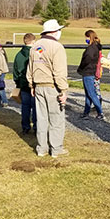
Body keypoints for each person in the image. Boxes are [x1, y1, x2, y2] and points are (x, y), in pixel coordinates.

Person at [27, 19, 69, 158]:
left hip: (38, 86)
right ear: (55, 31)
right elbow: (59, 71)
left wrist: (31, 84)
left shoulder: (35, 46)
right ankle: (56, 149)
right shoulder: (57, 47)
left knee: (42, 118)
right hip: (52, 87)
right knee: (56, 119)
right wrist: (63, 90)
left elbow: (30, 68)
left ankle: (41, 148)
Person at [77, 30, 104, 120]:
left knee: (91, 93)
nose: (85, 39)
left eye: (86, 37)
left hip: (88, 72)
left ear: (90, 37)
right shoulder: (96, 47)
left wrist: (81, 68)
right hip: (90, 71)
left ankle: (100, 112)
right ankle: (86, 112)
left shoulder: (91, 49)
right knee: (88, 94)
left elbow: (87, 60)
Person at [13, 33, 37, 134]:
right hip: (34, 84)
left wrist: (18, 83)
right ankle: (36, 127)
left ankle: (25, 126)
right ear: (33, 41)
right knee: (36, 107)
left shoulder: (19, 55)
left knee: (25, 107)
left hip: (23, 84)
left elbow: (15, 71)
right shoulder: (36, 53)